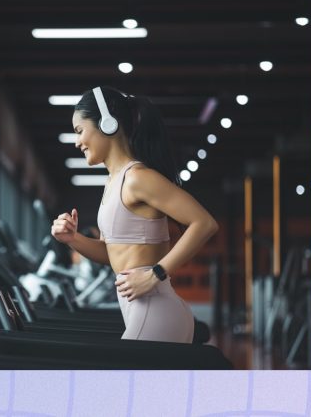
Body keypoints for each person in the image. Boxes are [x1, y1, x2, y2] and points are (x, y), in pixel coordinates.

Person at [51, 86, 218, 343]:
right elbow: (114, 254)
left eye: (79, 131)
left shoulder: (137, 178)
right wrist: (73, 239)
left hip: (155, 310)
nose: (77, 142)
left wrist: (156, 273)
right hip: (145, 310)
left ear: (107, 124)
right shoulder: (114, 182)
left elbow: (204, 223)